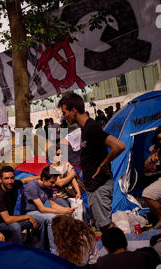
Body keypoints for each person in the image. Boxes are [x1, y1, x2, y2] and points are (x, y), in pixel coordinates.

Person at [59, 93, 125, 233]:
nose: (64, 116)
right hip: (93, 186)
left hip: (99, 185)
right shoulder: (84, 129)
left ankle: (121, 251)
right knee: (104, 225)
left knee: (106, 226)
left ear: (74, 110)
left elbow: (119, 146)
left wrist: (103, 164)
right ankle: (118, 250)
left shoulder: (92, 127)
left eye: (65, 112)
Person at [20, 166, 76, 254]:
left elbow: (53, 204)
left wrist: (67, 210)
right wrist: (62, 211)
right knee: (52, 218)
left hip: (38, 212)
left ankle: (65, 247)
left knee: (65, 217)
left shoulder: (48, 188)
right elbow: (42, 209)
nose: (54, 185)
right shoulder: (32, 186)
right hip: (29, 212)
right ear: (44, 179)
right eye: (52, 182)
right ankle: (55, 252)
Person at [0, 166, 40, 245]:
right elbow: (7, 219)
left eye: (12, 178)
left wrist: (40, 177)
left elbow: (25, 180)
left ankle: (34, 247)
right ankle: (18, 251)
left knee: (36, 220)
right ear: (0, 180)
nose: (10, 181)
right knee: (15, 227)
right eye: (6, 178)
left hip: (8, 220)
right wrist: (27, 216)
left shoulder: (13, 185)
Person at [49, 145, 90, 225]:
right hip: (58, 196)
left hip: (70, 194)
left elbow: (73, 180)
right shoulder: (51, 169)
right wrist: (71, 175)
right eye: (57, 155)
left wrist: (78, 192)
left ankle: (85, 226)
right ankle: (72, 229)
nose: (59, 157)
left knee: (81, 207)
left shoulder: (65, 164)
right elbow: (59, 183)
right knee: (69, 209)